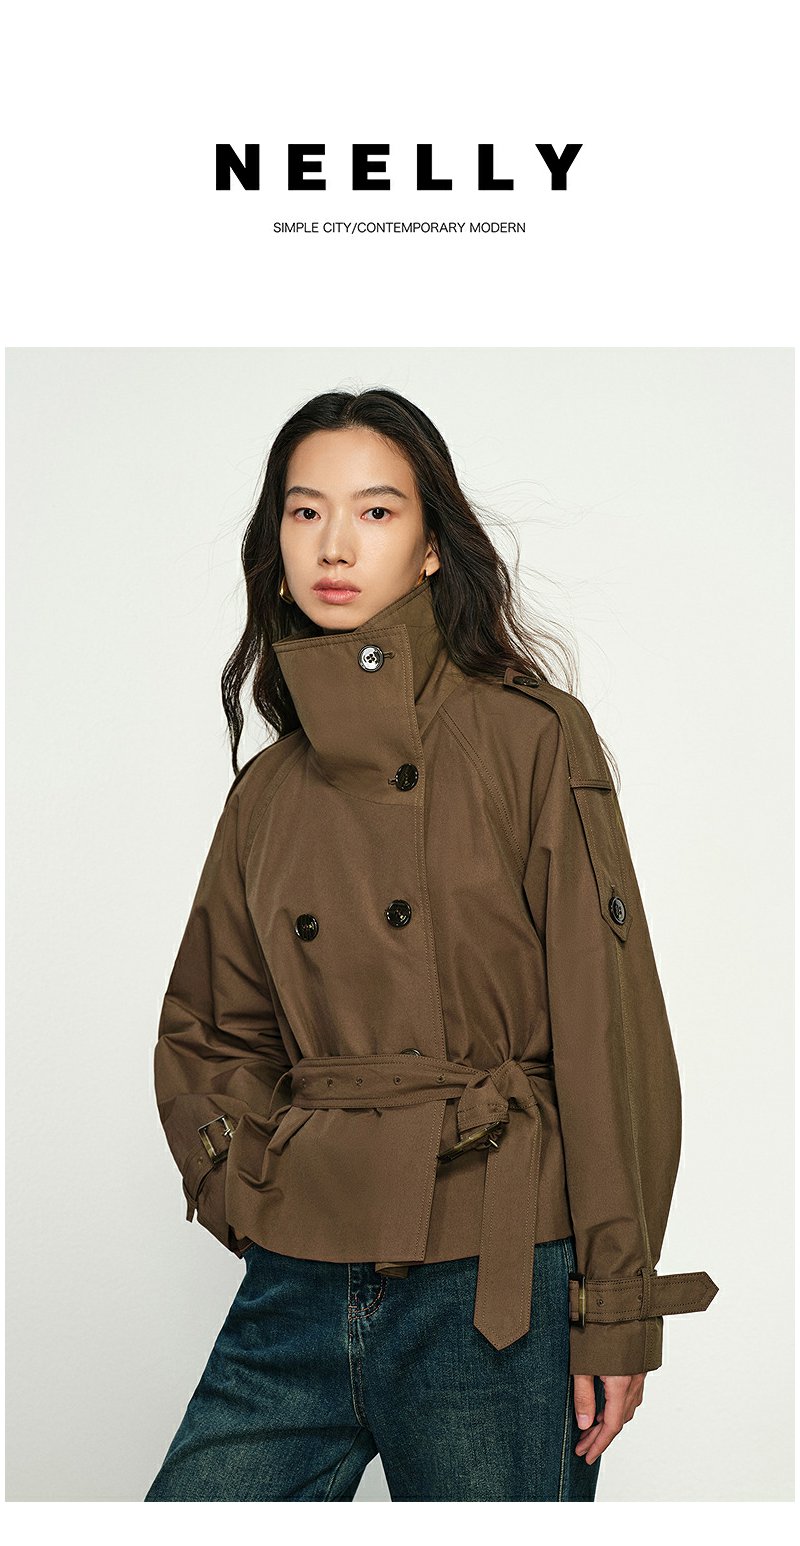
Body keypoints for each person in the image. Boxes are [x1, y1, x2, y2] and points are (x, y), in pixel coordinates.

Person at [144, 387, 717, 1503]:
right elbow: (208, 1027)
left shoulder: (530, 737)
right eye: (305, 512)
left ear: (430, 549)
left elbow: (607, 1030)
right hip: (299, 1275)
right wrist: (250, 1185)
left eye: (375, 511)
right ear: (275, 548)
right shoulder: (266, 793)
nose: (336, 544)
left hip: (492, 1281)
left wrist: (614, 1304)